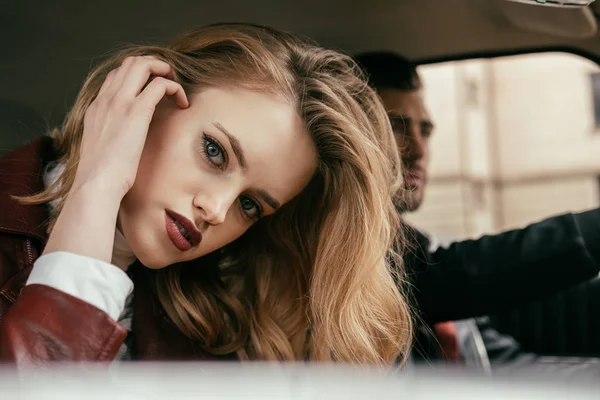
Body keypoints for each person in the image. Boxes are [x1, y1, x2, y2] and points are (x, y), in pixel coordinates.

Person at [0, 24, 412, 365]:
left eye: (249, 205)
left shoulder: (212, 328)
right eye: (214, 152)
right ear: (151, 97)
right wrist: (97, 187)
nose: (215, 210)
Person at [355, 51, 600, 368]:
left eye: (425, 131)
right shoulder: (354, 259)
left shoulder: (414, 242)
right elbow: (447, 276)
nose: (418, 150)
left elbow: (498, 361)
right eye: (395, 127)